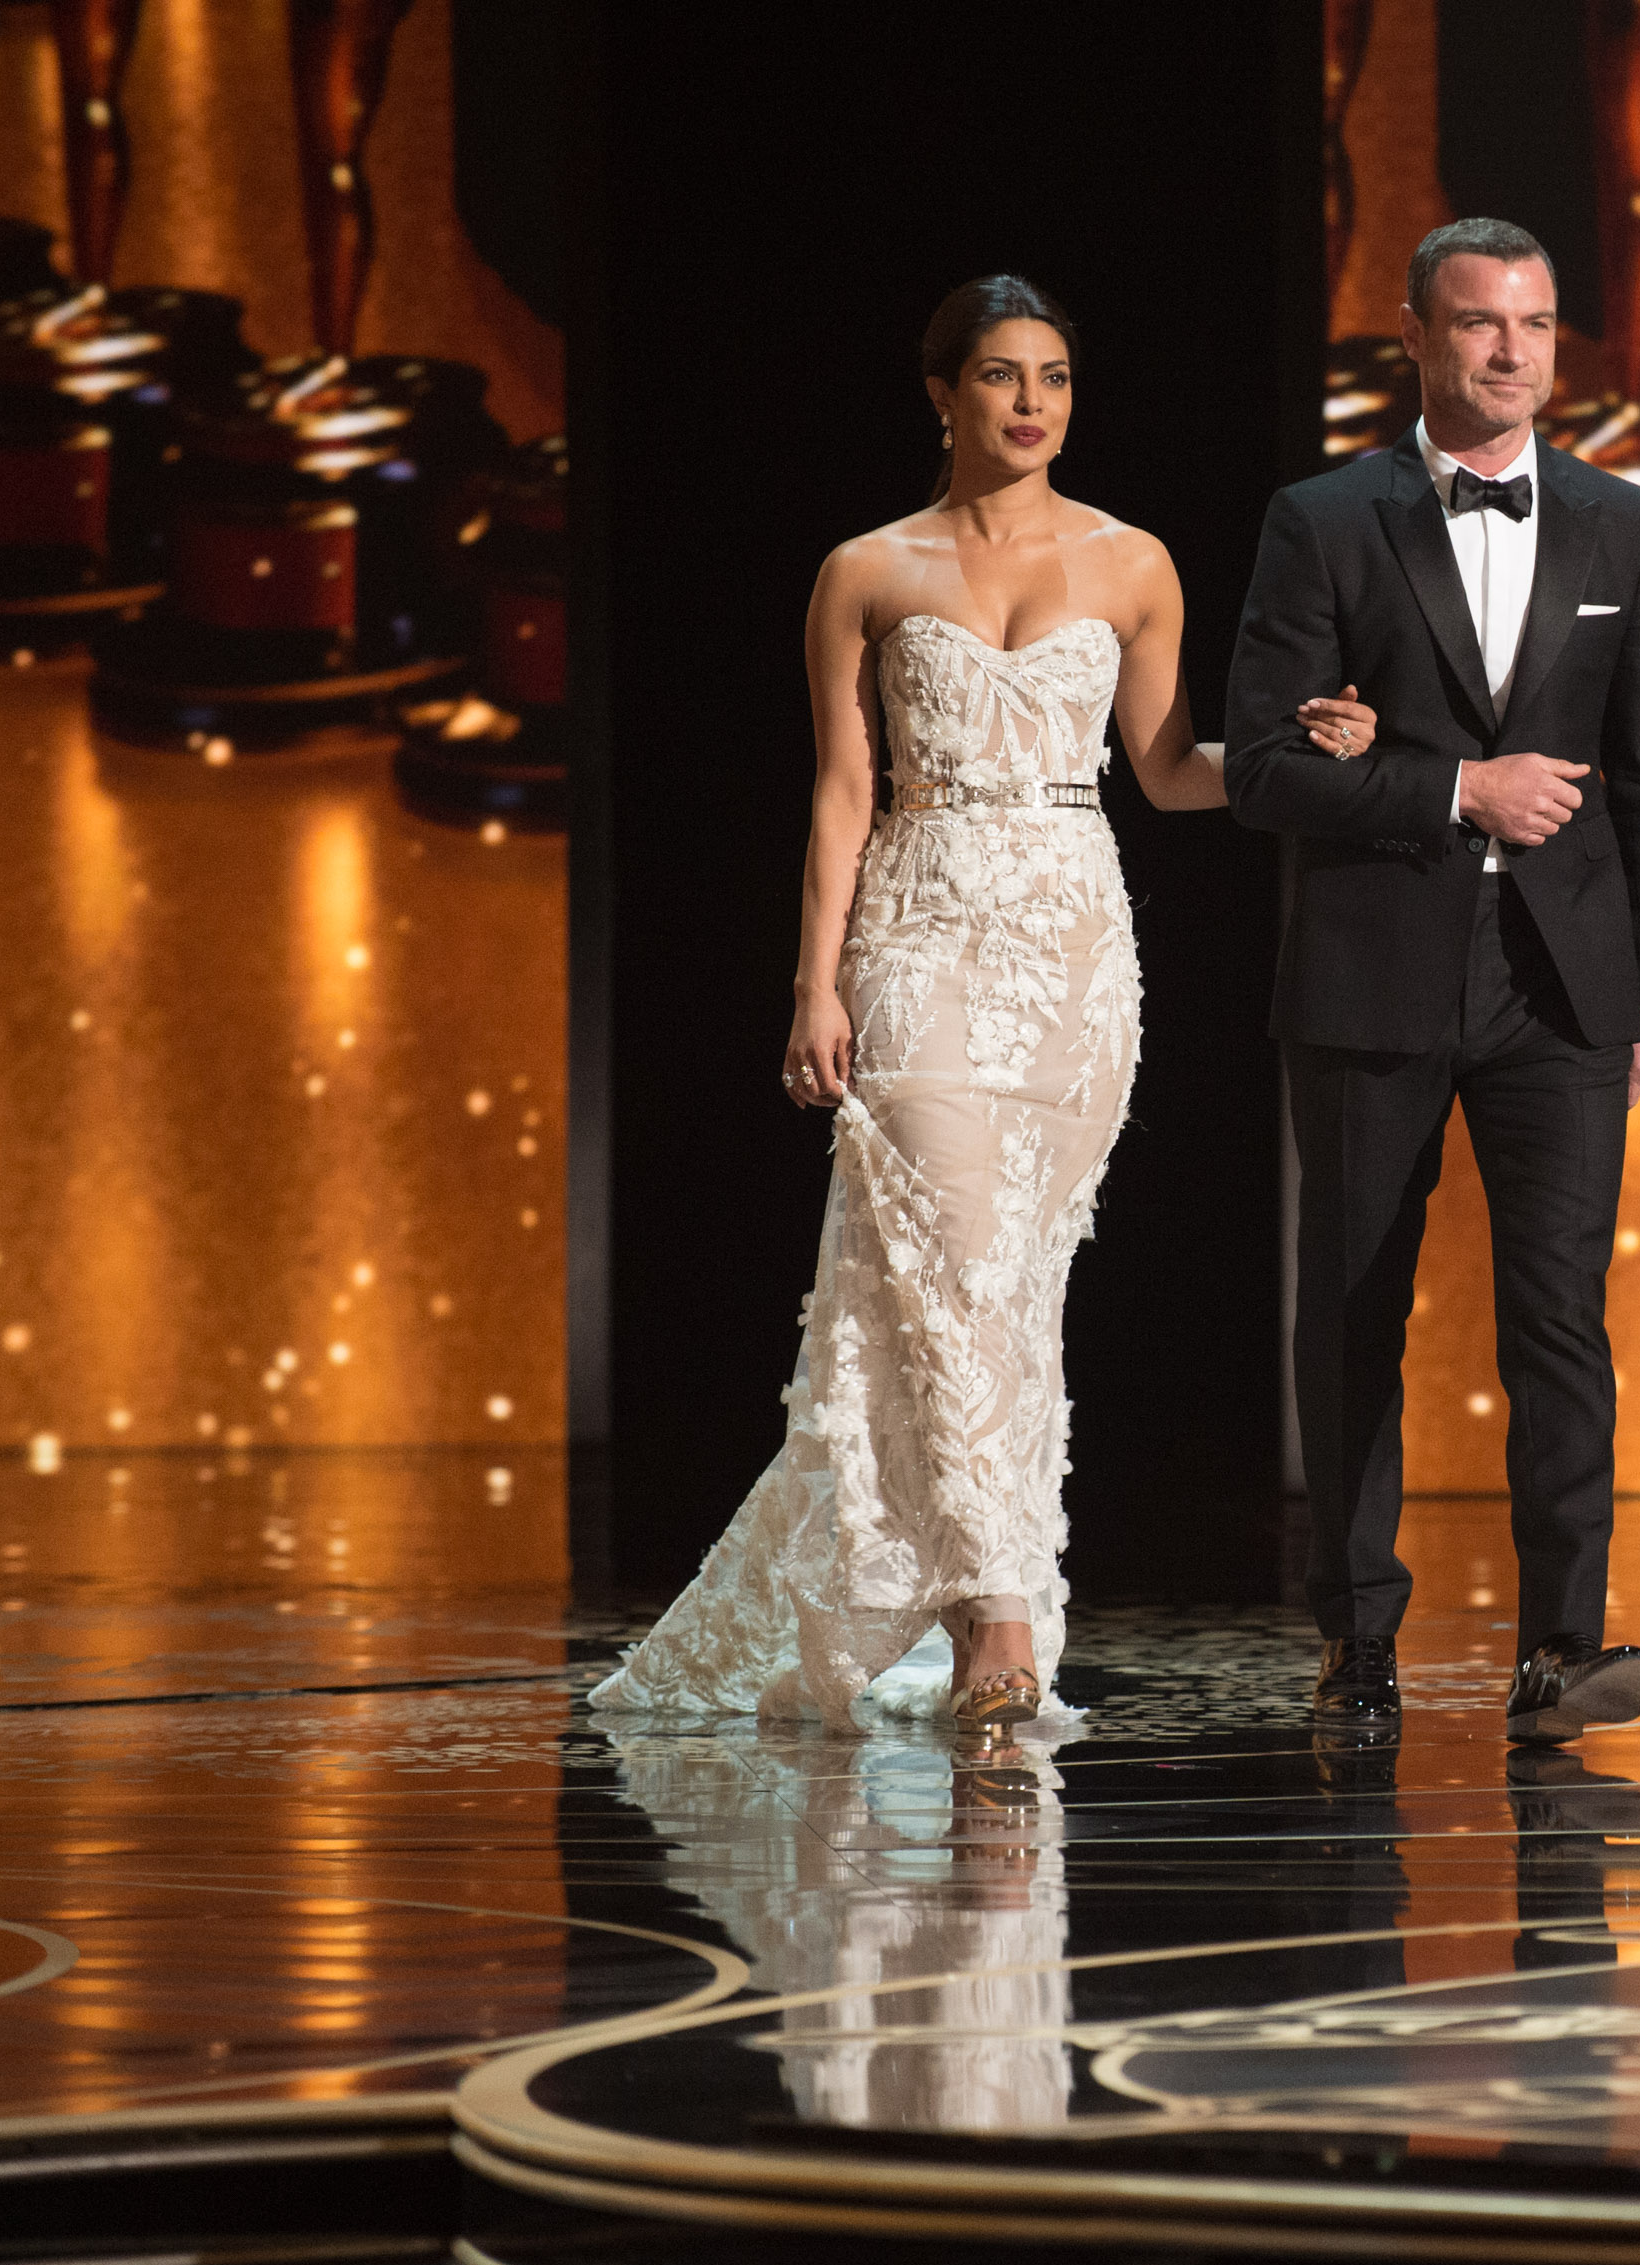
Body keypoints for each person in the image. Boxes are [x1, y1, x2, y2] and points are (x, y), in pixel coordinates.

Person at [589, 275, 1375, 1735]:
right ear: (941, 392)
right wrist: (814, 984)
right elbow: (842, 791)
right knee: (949, 1266)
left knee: (1009, 1285)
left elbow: (1166, 770)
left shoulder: (1135, 562)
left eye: (1058, 378)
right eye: (1004, 376)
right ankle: (996, 1629)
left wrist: (1293, 753)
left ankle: (969, 1605)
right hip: (918, 938)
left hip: (1076, 956)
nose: (1032, 404)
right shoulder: (866, 570)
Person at [1225, 217, 1640, 1746]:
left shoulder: (1625, 525)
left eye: (1539, 326)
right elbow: (1268, 771)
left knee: (1559, 1313)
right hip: (1374, 972)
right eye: (1482, 324)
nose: (1514, 352)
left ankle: (1563, 1647)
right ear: (1417, 340)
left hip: (1565, 985)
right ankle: (1359, 1640)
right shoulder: (1325, 519)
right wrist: (1453, 790)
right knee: (1356, 1311)